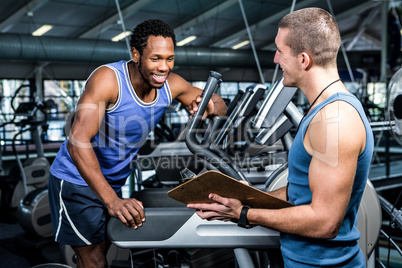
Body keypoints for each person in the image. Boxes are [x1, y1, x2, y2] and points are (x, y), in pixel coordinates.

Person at [187, 7, 374, 267]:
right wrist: (248, 199)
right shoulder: (323, 111)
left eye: (280, 51)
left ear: (303, 60)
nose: (275, 59)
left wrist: (244, 214)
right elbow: (302, 191)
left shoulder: (335, 119)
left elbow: (325, 222)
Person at [48, 19, 227, 268]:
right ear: (136, 55)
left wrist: (208, 103)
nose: (164, 67)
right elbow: (77, 143)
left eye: (169, 58)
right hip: (76, 179)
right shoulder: (108, 80)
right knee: (94, 258)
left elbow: (220, 104)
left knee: (101, 251)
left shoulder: (171, 85)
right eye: (155, 58)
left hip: (112, 180)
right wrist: (113, 201)